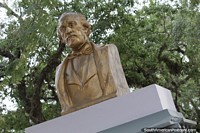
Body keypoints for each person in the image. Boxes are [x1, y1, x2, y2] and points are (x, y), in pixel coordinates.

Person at [55, 12, 129, 115]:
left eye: (72, 25)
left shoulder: (107, 52)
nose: (68, 31)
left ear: (85, 29)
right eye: (63, 29)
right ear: (61, 37)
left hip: (114, 113)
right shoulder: (60, 70)